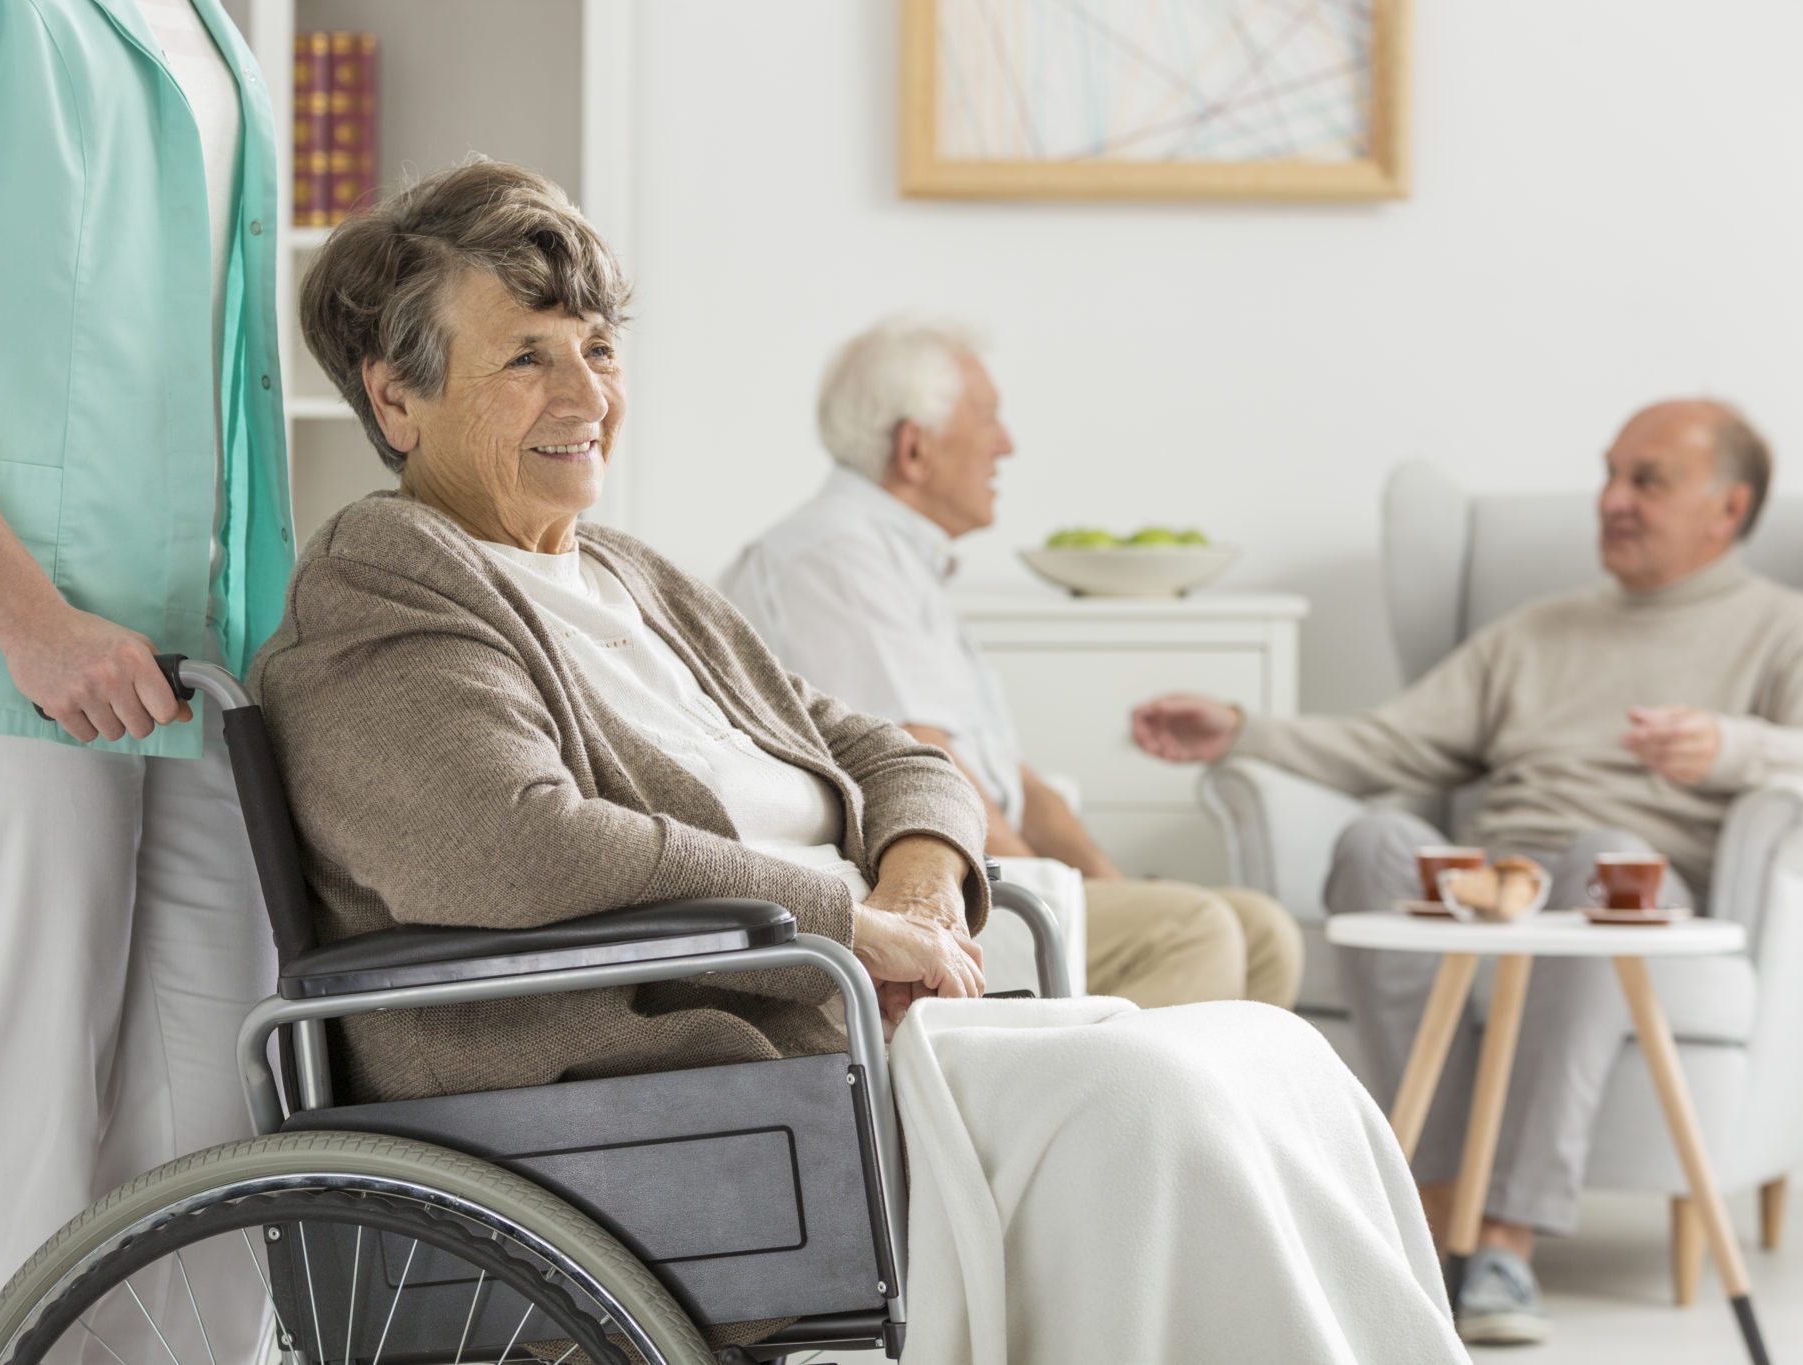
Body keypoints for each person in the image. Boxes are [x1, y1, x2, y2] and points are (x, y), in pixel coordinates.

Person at [249, 159, 1468, 1362]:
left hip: (841, 1023)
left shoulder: (630, 576)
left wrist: (919, 902)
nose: (586, 395)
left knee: (1272, 1057)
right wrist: (843, 921)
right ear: (395, 400)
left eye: (600, 348)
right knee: (1151, 1107)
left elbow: (893, 752)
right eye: (526, 356)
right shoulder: (384, 578)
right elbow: (510, 849)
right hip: (674, 1079)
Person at [1131, 399, 1803, 1344]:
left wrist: (1729, 746)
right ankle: (1439, 1208)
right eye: (1610, 474)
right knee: (1374, 845)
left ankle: (1508, 1239)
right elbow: (1391, 742)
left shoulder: (1792, 630)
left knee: (1601, 862)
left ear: (1730, 508)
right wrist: (1243, 730)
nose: (1612, 500)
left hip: (1629, 879)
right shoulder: (1540, 629)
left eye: (1647, 480)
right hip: (1496, 869)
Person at [0, 2, 293, 1360]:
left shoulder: (215, 21)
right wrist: (27, 620)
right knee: (7, 1191)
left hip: (197, 679)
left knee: (209, 1182)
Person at [721, 319, 1303, 1010]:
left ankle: (1213, 1120)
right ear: (914, 449)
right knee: (1194, 930)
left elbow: (1015, 785)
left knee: (1265, 931)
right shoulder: (833, 560)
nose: (1008, 443)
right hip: (914, 903)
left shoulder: (896, 561)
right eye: (989, 419)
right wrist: (1046, 898)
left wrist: (1105, 889)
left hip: (986, 869)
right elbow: (924, 765)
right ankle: (1106, 1113)